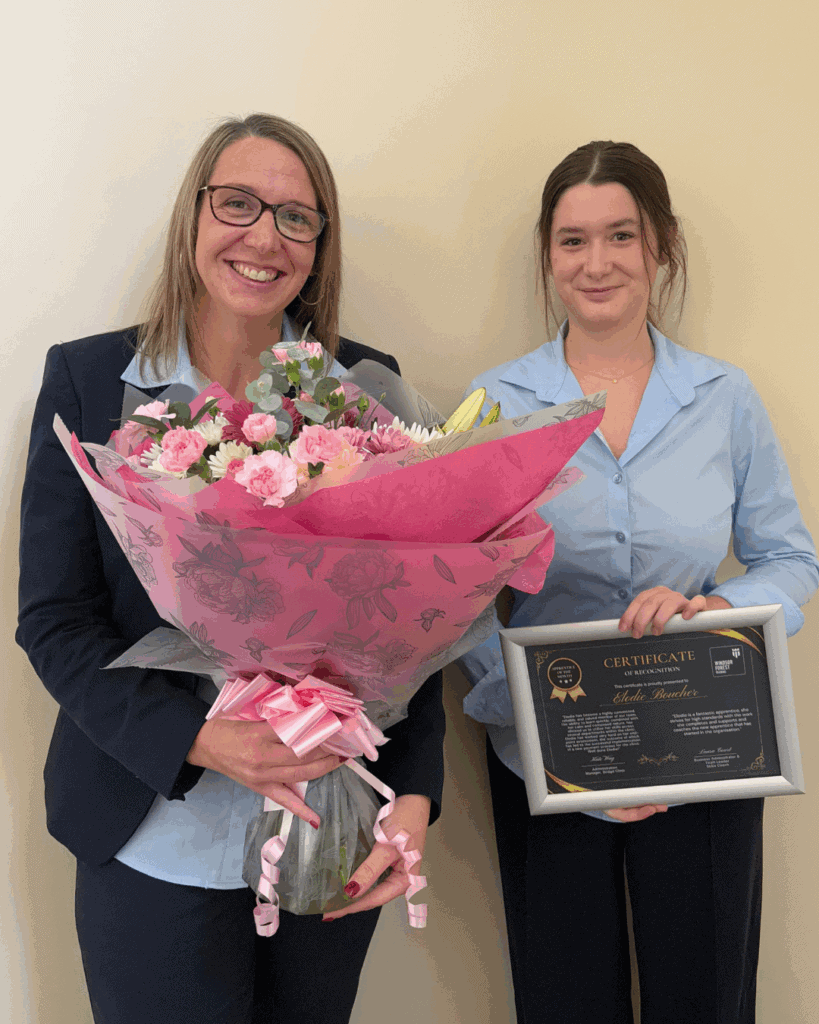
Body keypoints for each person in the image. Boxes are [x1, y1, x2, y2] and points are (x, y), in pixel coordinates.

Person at [16, 114, 445, 1024]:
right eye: (239, 203)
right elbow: (53, 616)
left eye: (297, 217)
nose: (264, 237)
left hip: (329, 831)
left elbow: (419, 620)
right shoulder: (91, 382)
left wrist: (413, 795)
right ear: (194, 216)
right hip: (152, 832)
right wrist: (196, 738)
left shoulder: (365, 387)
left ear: (320, 247)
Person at [458, 141, 818, 1023]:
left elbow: (791, 560)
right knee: (562, 999)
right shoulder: (495, 404)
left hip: (701, 754)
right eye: (572, 240)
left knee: (705, 1000)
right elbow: (454, 595)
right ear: (547, 254)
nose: (597, 262)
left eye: (620, 235)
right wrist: (530, 723)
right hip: (545, 758)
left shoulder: (724, 398)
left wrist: (715, 609)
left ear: (659, 247)